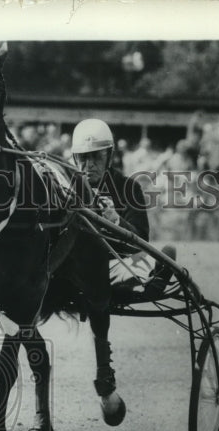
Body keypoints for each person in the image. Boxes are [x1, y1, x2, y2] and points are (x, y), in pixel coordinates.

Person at [71, 118, 174, 297]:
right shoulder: (66, 188)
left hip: (115, 264)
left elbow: (141, 242)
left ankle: (153, 279)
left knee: (142, 263)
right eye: (83, 157)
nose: (90, 164)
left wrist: (116, 221)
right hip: (73, 268)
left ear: (109, 157)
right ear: (74, 158)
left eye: (97, 156)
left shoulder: (129, 188)